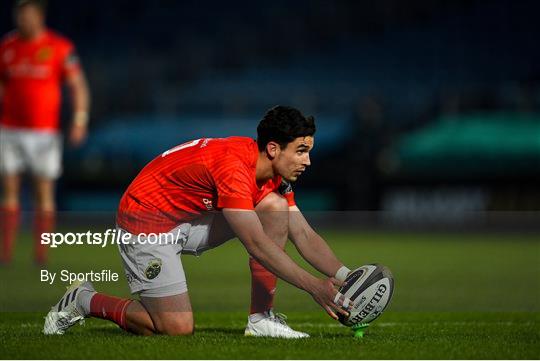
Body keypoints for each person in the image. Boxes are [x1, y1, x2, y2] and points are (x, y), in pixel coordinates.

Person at [44, 106, 352, 338]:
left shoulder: (270, 175)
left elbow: (303, 235)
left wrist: (348, 278)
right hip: (148, 222)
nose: (307, 161)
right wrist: (314, 287)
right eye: (300, 151)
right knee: (175, 328)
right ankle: (85, 299)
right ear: (273, 149)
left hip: (189, 217)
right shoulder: (235, 168)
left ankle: (261, 320)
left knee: (273, 208)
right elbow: (257, 245)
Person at [0, 0, 90, 265]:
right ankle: (6, 255)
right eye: (19, 15)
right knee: (9, 191)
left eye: (27, 15)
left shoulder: (59, 48)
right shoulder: (7, 47)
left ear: (39, 16)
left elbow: (78, 86)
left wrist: (80, 119)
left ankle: (41, 255)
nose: (22, 21)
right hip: (10, 130)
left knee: (44, 193)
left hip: (44, 133)